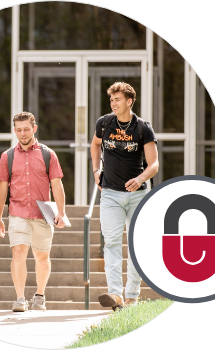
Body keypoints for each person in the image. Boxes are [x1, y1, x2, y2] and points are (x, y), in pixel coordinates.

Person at [90, 82, 159, 310]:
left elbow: (154, 164)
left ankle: (132, 294)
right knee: (110, 244)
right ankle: (115, 294)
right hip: (110, 194)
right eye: (111, 100)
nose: (113, 103)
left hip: (138, 196)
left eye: (117, 99)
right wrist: (96, 170)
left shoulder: (142, 128)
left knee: (136, 245)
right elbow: (95, 146)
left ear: (129, 101)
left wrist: (140, 178)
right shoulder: (104, 123)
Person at [0, 111, 66, 312]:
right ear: (14, 130)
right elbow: (1, 188)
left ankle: (40, 295)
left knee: (42, 256)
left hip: (43, 213)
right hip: (17, 211)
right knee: (18, 251)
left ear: (34, 129)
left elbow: (57, 185)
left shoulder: (48, 154)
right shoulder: (7, 156)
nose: (23, 133)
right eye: (19, 130)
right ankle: (19, 298)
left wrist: (61, 212)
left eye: (27, 129)